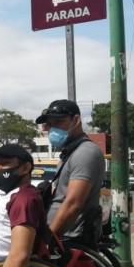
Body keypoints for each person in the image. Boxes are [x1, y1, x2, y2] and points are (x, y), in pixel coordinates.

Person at [35, 99, 105, 246]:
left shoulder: (85, 153)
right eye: (50, 125)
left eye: (59, 122)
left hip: (68, 239)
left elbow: (73, 204)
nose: (53, 129)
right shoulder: (71, 152)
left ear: (76, 120)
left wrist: (48, 242)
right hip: (62, 236)